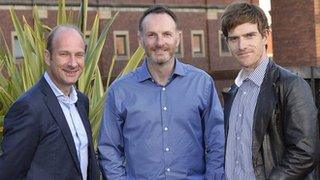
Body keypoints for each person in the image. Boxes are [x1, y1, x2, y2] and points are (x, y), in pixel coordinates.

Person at [98, 4, 225, 179]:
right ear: (141, 39)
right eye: (152, 35)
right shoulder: (120, 91)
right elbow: (109, 148)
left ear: (178, 38)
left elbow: (216, 142)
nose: (160, 43)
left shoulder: (202, 84)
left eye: (167, 34)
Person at [220, 2, 319, 180]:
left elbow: (305, 152)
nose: (241, 45)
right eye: (234, 38)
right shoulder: (233, 91)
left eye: (249, 35)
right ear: (227, 42)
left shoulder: (291, 85)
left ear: (265, 36)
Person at [0, 25, 100, 180]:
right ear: (48, 57)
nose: (73, 63)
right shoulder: (29, 108)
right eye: (64, 54)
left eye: (79, 55)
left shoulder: (81, 101)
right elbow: (8, 173)